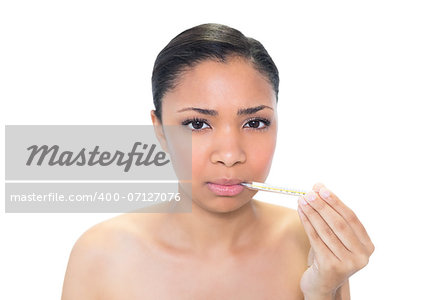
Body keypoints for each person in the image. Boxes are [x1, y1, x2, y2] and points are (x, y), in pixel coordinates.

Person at [61, 23, 374, 300]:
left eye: (255, 123)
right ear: (160, 130)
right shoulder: (100, 255)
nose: (230, 155)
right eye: (198, 124)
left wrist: (321, 291)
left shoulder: (313, 246)